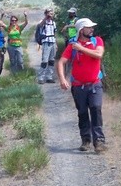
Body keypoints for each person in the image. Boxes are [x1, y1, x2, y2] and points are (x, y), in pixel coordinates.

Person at [56, 17, 106, 152]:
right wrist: (62, 79)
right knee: (82, 113)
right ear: (81, 30)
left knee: (96, 109)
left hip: (95, 84)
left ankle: (99, 142)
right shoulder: (72, 46)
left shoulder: (97, 41)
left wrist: (81, 49)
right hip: (78, 86)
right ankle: (86, 140)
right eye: (89, 27)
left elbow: (99, 55)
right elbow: (61, 62)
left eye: (92, 27)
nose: (92, 29)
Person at [35, 8, 57, 84]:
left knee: (51, 60)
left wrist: (56, 43)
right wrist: (46, 18)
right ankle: (41, 77)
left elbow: (54, 33)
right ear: (45, 14)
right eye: (48, 13)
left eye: (51, 13)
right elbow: (40, 26)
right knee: (45, 60)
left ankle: (49, 77)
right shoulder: (42, 22)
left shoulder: (53, 23)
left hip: (52, 42)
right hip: (46, 42)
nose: (50, 15)